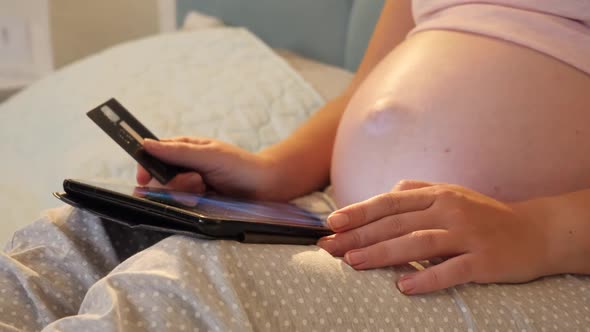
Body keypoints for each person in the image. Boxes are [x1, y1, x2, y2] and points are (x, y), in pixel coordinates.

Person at [2, 0, 589, 330]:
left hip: (524, 261)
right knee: (86, 236)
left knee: (186, 294)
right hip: (345, 215)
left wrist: (537, 232)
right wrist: (275, 172)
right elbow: (368, 88)